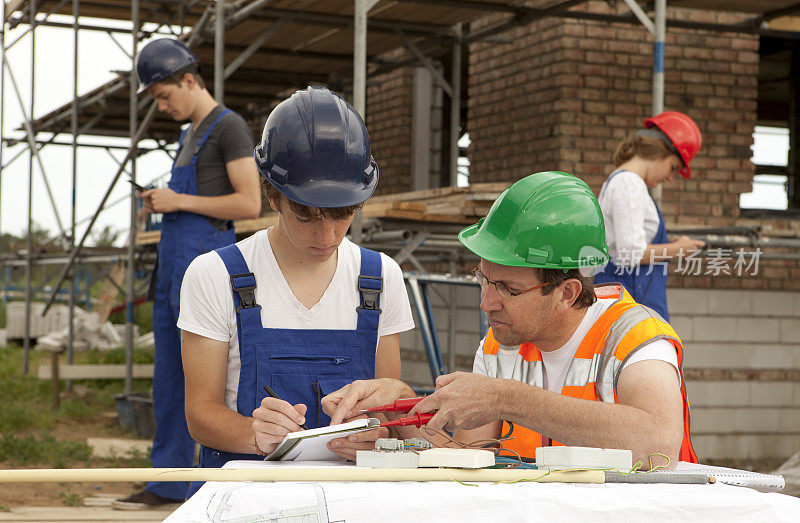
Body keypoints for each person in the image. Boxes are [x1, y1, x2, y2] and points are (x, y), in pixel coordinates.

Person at [323, 171, 698, 467]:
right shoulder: (499, 344)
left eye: (508, 288)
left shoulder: (636, 338)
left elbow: (658, 442)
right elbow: (468, 456)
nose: (487, 303)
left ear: (566, 293)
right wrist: (401, 415)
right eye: (483, 279)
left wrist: (505, 399)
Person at [176, 86, 415, 494]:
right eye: (306, 215)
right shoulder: (214, 275)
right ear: (273, 194)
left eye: (343, 214)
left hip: (351, 500)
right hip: (245, 497)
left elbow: (385, 406)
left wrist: (377, 432)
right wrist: (253, 432)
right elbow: (200, 414)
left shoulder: (380, 278)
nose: (328, 235)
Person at [113, 39, 261, 509]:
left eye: (163, 95)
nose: (161, 105)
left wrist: (178, 201)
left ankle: (211, 486)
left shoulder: (229, 128)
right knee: (170, 378)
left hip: (204, 267)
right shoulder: (188, 136)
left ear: (190, 80)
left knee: (210, 381)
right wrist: (162, 201)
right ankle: (169, 482)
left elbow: (249, 203)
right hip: (173, 267)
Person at [592, 111, 706, 321]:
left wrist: (670, 244)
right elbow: (631, 253)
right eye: (673, 167)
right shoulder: (629, 184)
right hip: (630, 302)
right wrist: (678, 249)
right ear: (658, 152)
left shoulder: (623, 182)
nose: (671, 177)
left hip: (630, 300)